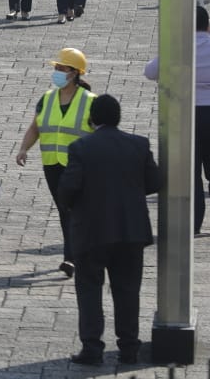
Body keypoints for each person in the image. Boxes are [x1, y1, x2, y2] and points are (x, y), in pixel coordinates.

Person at [60, 95, 160, 366]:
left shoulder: (81, 147)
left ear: (92, 118)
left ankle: (92, 348)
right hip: (130, 231)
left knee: (90, 290)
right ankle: (129, 348)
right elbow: (154, 181)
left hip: (91, 232)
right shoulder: (138, 144)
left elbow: (68, 189)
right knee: (128, 291)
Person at [144, 5, 210, 235]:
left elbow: (150, 72)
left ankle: (194, 223)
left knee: (191, 172)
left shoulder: (176, 48)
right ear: (207, 25)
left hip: (185, 113)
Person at [15, 47, 96, 278]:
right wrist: (23, 149)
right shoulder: (47, 98)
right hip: (52, 164)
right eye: (57, 68)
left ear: (75, 73)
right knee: (65, 210)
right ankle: (74, 255)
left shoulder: (90, 101)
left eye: (62, 68)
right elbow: (35, 127)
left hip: (79, 167)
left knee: (74, 210)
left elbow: (101, 133)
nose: (58, 72)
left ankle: (72, 256)